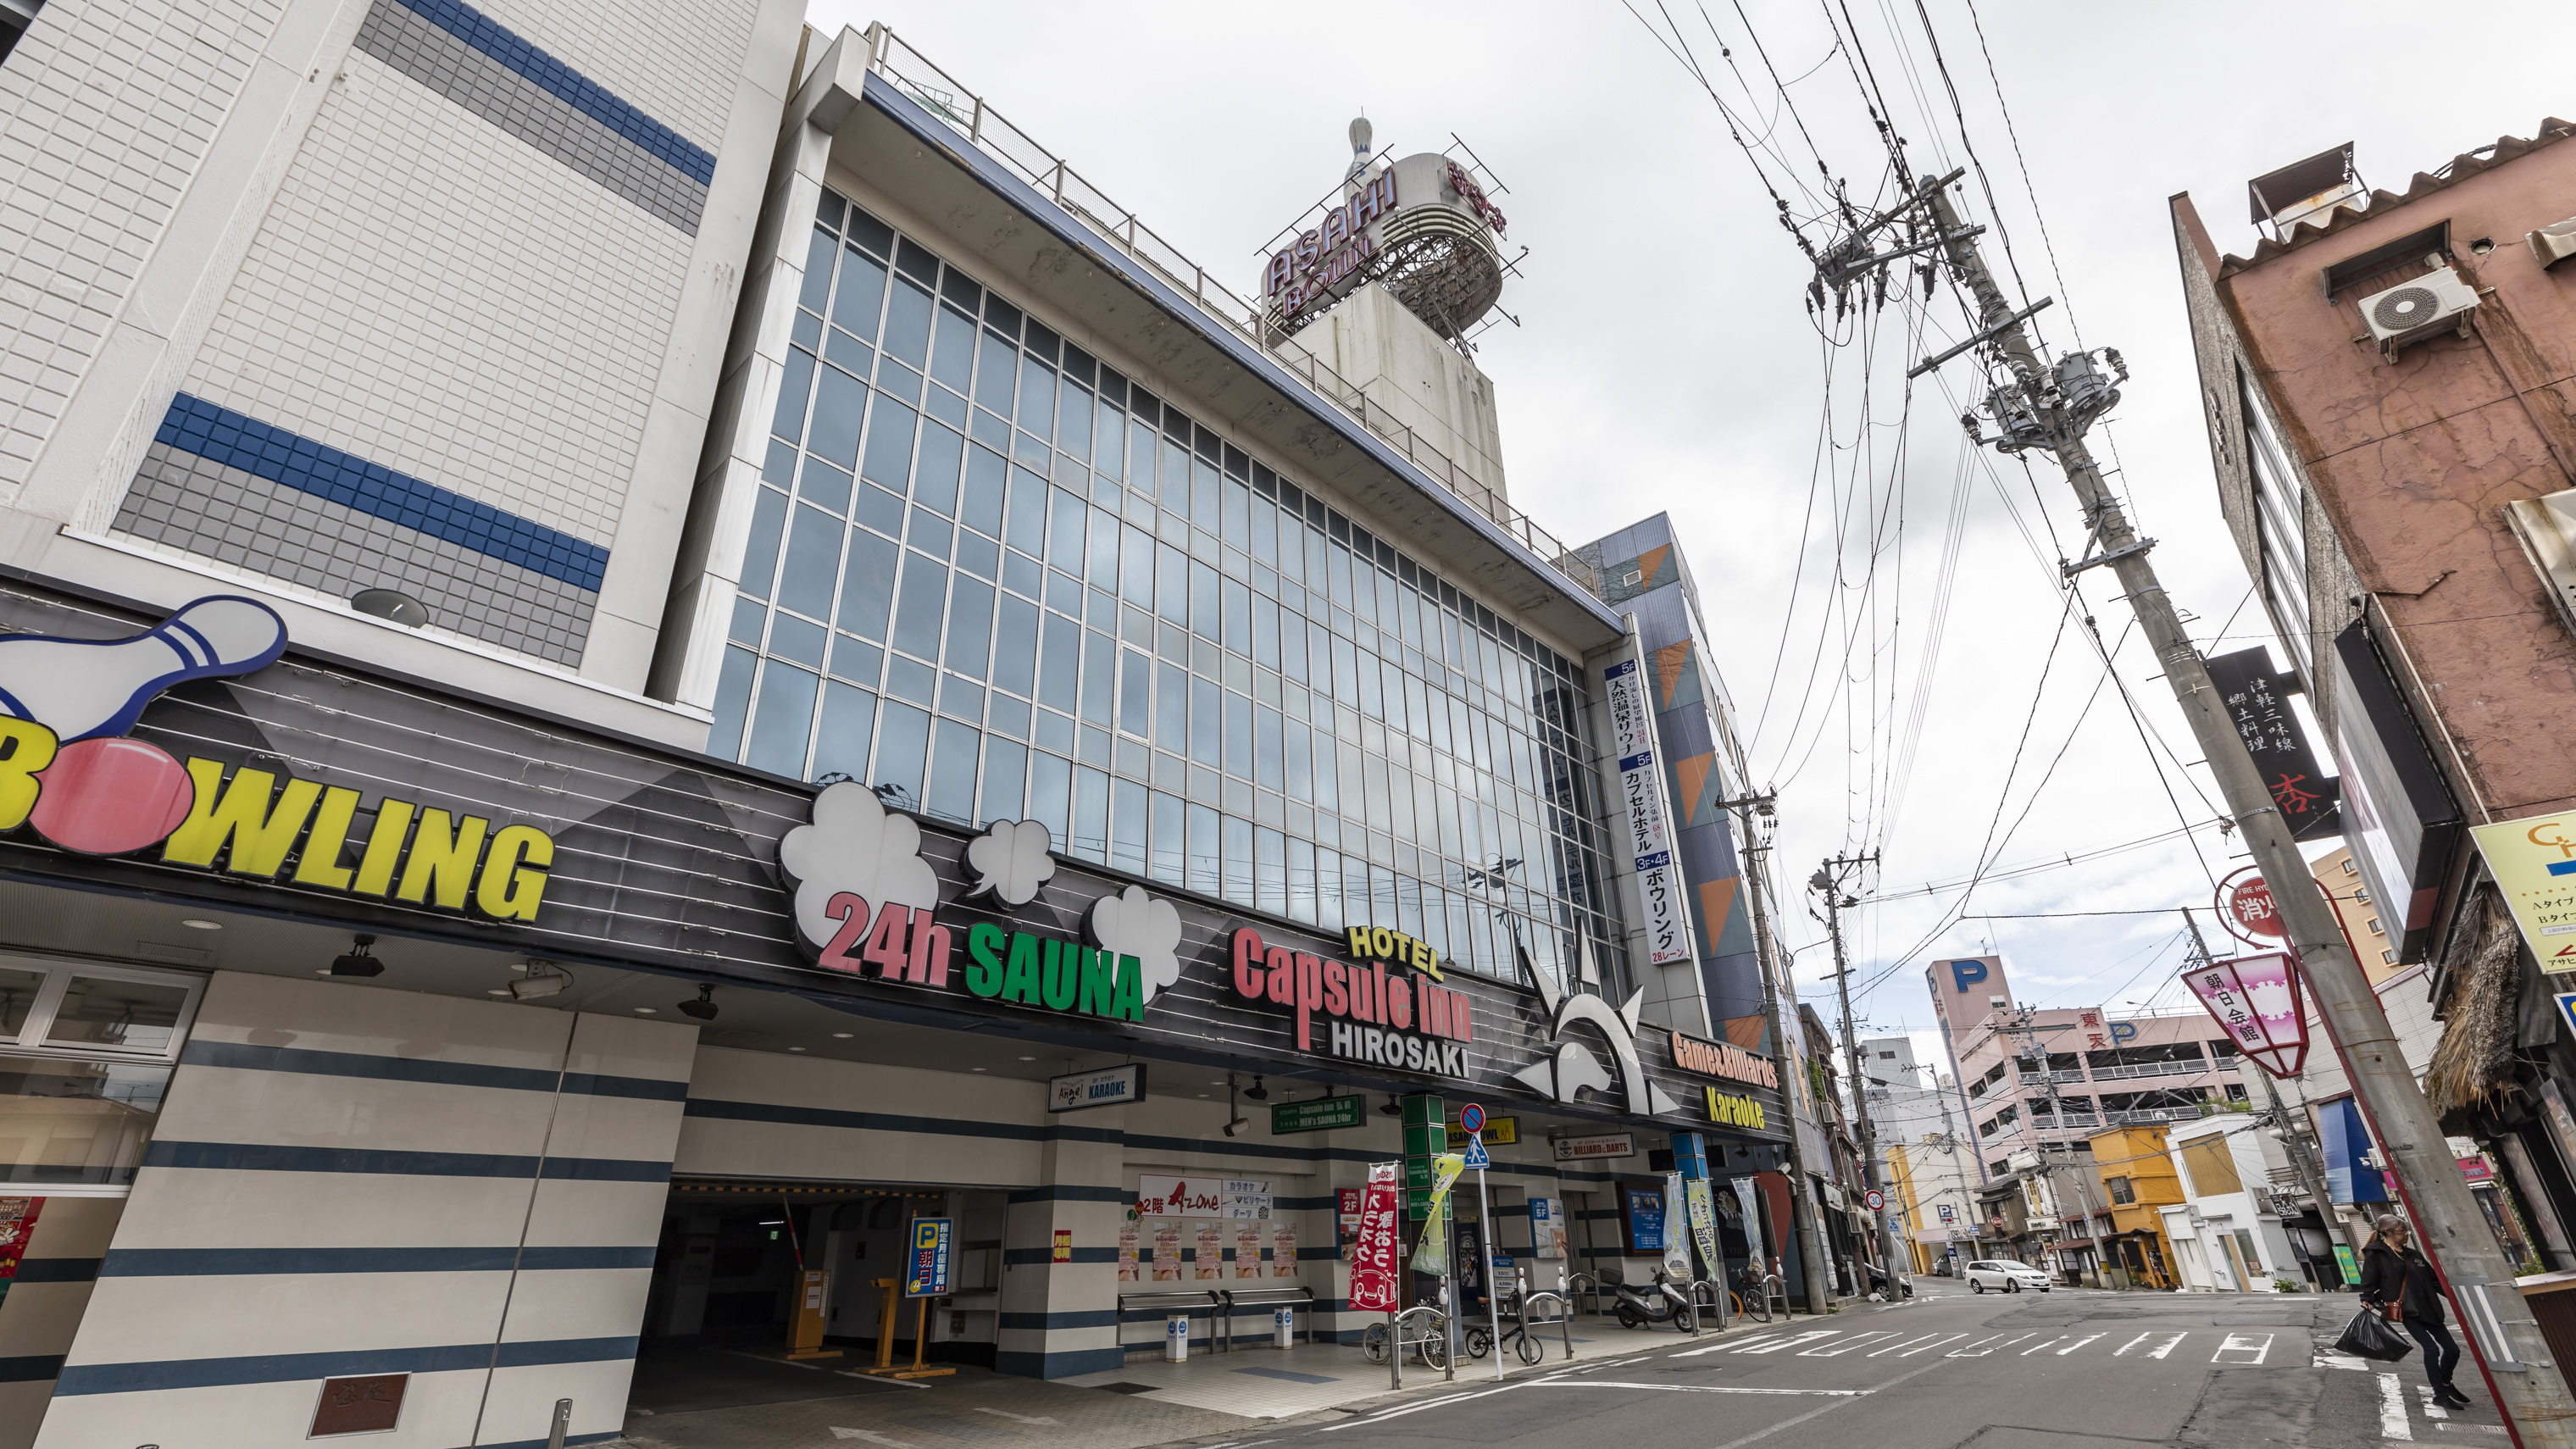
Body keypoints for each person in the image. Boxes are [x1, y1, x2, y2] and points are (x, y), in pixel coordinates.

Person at [2359, 1213, 2470, 1410]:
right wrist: (2366, 1298)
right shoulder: (2376, 1254)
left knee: (2452, 1349)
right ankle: (2440, 1394)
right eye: (2402, 1232)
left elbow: (2434, 1280)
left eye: (2406, 1231)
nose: (2406, 1235)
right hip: (2406, 1310)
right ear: (2387, 1232)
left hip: (2428, 1307)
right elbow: (2369, 1279)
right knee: (2431, 1348)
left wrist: (2457, 1298)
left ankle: (2446, 1383)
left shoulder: (2414, 1255)